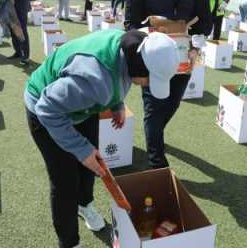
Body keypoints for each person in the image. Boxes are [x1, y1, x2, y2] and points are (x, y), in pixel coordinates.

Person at [24, 28, 180, 248]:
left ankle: (84, 204)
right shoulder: (96, 81)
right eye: (149, 79)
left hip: (79, 105)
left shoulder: (131, 46)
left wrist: (117, 105)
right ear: (139, 66)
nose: (147, 85)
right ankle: (69, 243)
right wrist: (80, 149)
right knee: (65, 182)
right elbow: (46, 109)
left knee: (92, 165)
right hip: (45, 108)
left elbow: (119, 76)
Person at [125, 0, 212, 168]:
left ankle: (155, 135)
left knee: (172, 103)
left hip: (184, 55)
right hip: (152, 55)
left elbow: (205, 18)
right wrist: (144, 48)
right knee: (154, 108)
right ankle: (157, 164)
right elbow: (131, 23)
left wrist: (196, 48)